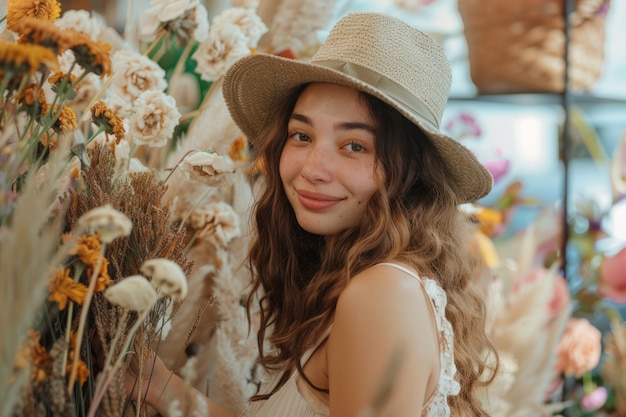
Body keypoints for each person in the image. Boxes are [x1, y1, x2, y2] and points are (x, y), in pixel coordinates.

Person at [131, 11, 498, 417]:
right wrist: (159, 386)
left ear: (410, 174)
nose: (311, 169)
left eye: (355, 145)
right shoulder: (361, 280)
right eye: (302, 136)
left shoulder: (379, 294)